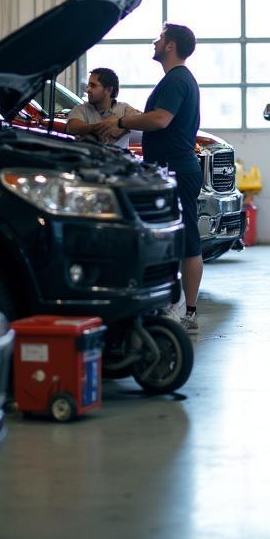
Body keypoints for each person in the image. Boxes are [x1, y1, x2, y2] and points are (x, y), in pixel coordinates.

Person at [96, 23, 203, 335]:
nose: (154, 42)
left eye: (159, 38)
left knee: (187, 240)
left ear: (170, 45)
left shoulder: (176, 79)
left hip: (175, 170)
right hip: (172, 167)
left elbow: (160, 119)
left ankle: (188, 311)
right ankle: (176, 305)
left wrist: (121, 121)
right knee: (178, 239)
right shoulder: (178, 79)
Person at [66, 68, 138, 149]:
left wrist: (122, 128)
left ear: (109, 90)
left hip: (119, 160)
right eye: (88, 85)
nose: (88, 90)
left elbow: (141, 122)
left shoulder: (125, 109)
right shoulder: (80, 109)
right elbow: (73, 127)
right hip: (90, 160)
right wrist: (103, 127)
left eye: (93, 85)